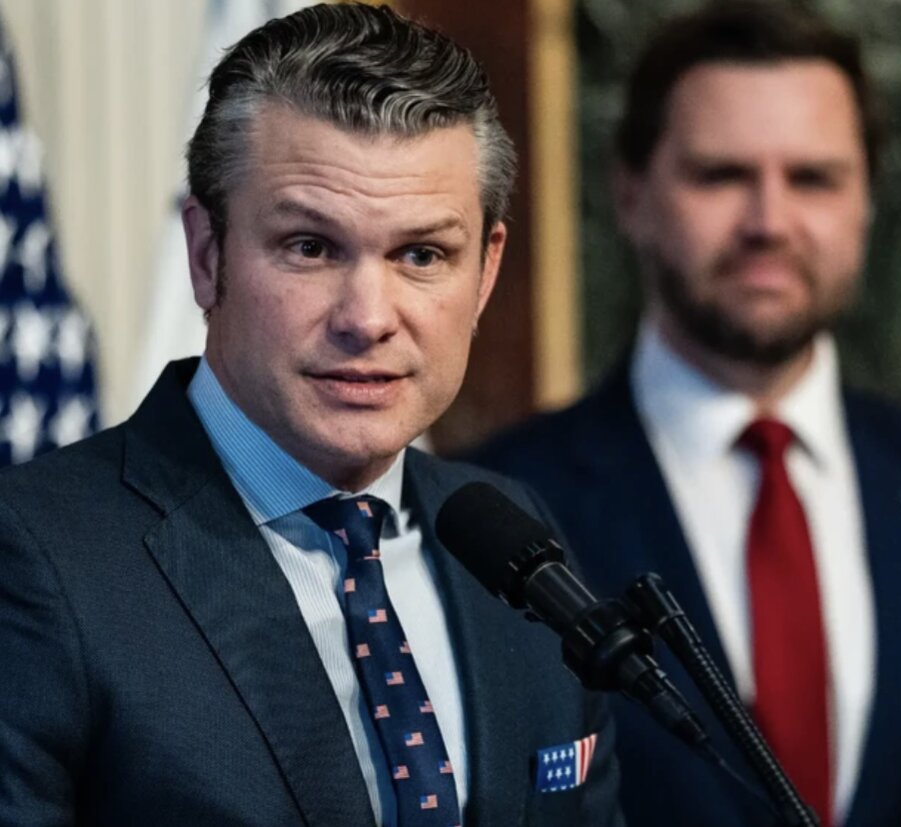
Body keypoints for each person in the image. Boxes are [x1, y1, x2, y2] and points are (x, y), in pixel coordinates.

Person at [0, 5, 623, 826]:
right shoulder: (36, 557)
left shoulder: (516, 541)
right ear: (207, 256)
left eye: (422, 254)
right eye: (310, 247)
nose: (367, 317)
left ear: (484, 272)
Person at [471, 2, 901, 825]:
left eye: (812, 178)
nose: (768, 222)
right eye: (721, 175)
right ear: (629, 193)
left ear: (867, 200)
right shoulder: (500, 508)